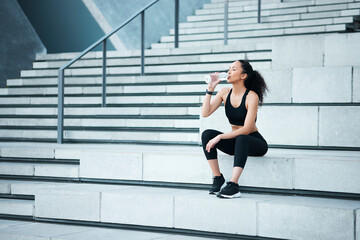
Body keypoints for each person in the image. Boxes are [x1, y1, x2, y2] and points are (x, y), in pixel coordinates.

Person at [201, 60, 268, 199]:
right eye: (229, 69)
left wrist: (220, 137)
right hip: (236, 142)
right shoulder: (224, 92)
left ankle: (233, 185)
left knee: (242, 137)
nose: (229, 72)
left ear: (243, 75)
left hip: (254, 142)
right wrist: (210, 88)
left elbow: (247, 129)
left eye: (233, 69)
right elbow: (205, 113)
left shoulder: (251, 96)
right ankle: (218, 178)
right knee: (207, 134)